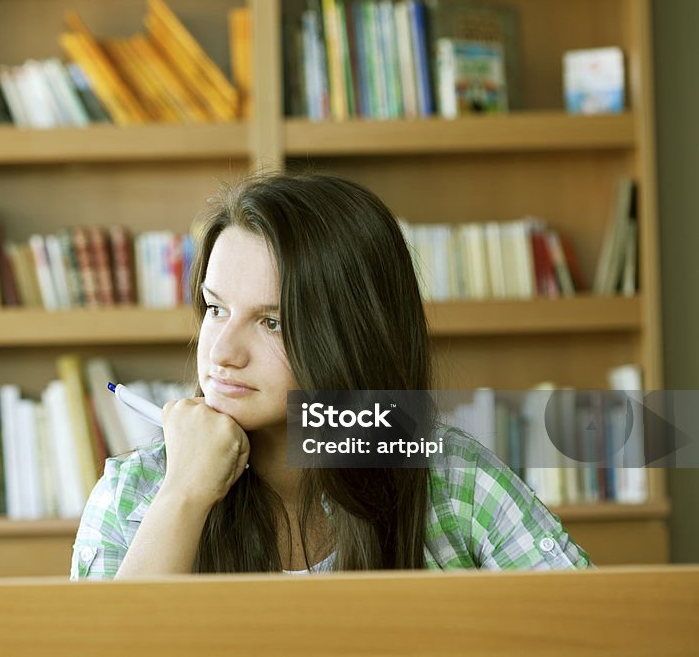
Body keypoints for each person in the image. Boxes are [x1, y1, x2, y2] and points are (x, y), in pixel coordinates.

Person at [71, 172, 593, 579]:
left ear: (353, 335)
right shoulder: (137, 492)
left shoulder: (449, 477)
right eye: (215, 309)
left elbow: (603, 628)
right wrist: (183, 494)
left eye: (271, 321)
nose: (223, 353)